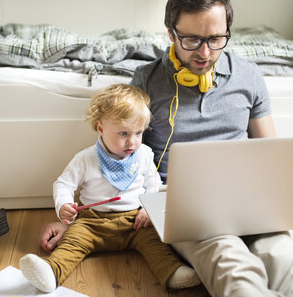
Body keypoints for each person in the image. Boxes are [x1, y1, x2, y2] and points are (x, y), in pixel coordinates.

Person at [38, 0, 293, 296]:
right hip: (182, 205)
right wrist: (68, 219)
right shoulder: (147, 80)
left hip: (247, 200)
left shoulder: (249, 75)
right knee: (232, 264)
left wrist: (282, 223)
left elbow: (273, 157)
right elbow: (117, 158)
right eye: (192, 40)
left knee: (282, 259)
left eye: (216, 39)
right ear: (171, 33)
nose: (205, 53)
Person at [19, 84, 200, 293]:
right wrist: (63, 205)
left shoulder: (144, 155)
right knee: (72, 242)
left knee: (156, 244)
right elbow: (63, 184)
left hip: (135, 222)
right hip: (92, 222)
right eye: (123, 133)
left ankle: (172, 272)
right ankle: (51, 271)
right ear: (100, 128)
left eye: (138, 133)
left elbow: (153, 184)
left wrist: (148, 210)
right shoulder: (86, 158)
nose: (131, 142)